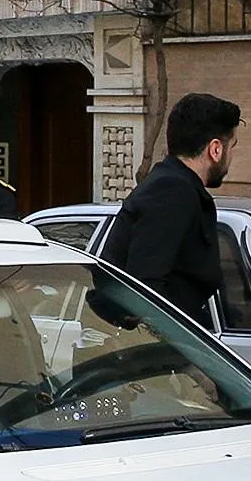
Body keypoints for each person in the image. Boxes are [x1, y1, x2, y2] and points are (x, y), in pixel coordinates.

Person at [99, 92, 242, 318]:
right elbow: (147, 289)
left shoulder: (175, 186)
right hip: (161, 337)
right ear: (215, 149)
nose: (231, 156)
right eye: (232, 146)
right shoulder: (173, 191)